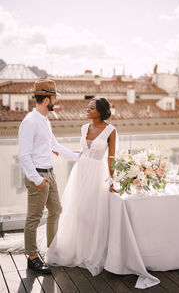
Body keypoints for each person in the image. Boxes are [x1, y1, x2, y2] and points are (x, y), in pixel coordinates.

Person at [47, 97, 117, 276]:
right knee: (76, 211)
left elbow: (111, 158)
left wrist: (112, 181)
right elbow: (85, 152)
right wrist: (63, 152)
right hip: (80, 172)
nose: (87, 110)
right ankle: (76, 250)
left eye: (91, 107)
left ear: (100, 111)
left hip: (97, 174)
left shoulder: (110, 131)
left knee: (90, 213)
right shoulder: (84, 128)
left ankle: (90, 253)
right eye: (87, 107)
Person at [18, 79, 79, 274]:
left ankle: (52, 250)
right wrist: (37, 180)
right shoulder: (29, 122)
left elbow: (54, 144)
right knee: (34, 218)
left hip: (49, 173)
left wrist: (77, 157)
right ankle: (33, 257)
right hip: (38, 175)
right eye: (54, 97)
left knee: (56, 210)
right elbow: (24, 156)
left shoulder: (45, 120)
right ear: (46, 99)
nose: (55, 100)